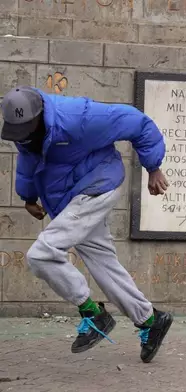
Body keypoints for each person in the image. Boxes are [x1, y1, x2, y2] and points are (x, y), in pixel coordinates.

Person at [0, 86, 173, 363]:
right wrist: (28, 196)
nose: (23, 136)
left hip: (98, 185)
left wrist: (153, 166)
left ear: (40, 114)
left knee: (41, 255)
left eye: (26, 129)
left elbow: (137, 122)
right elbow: (28, 158)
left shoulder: (80, 118)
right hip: (75, 195)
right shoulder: (26, 130)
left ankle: (93, 313)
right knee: (104, 264)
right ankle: (150, 320)